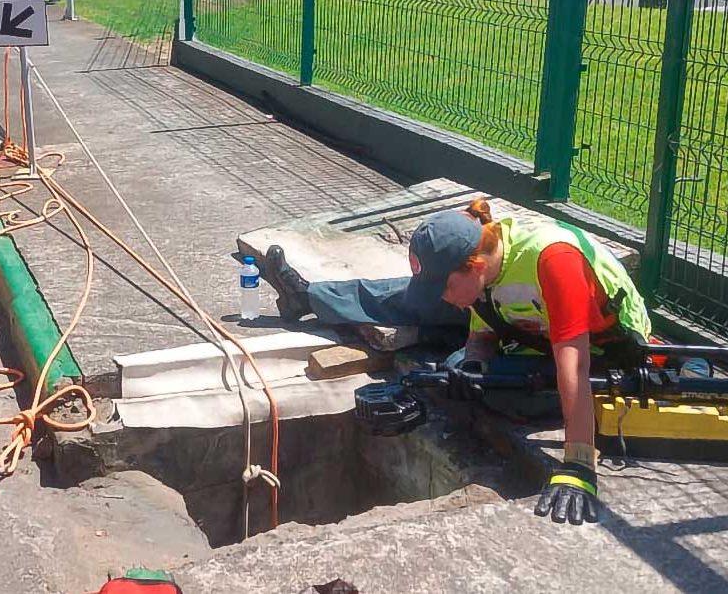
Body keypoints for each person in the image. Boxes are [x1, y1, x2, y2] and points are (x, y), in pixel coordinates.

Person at [263, 200, 653, 526]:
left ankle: (443, 344)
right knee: (432, 330)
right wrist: (477, 361)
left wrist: (579, 465)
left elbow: (575, 367)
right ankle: (308, 297)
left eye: (447, 286)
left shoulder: (554, 262)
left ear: (476, 267)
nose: (444, 297)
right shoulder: (482, 261)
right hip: (529, 331)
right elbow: (483, 331)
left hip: (603, 350)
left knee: (501, 394)